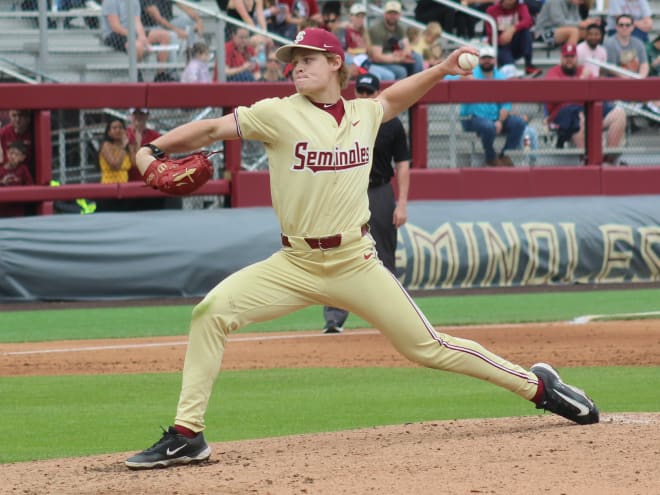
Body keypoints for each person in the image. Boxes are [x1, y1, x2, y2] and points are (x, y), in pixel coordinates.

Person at [124, 27, 599, 470]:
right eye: (293, 60)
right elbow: (209, 131)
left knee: (429, 348)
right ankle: (189, 435)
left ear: (335, 63)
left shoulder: (362, 114)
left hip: (356, 261)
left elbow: (395, 97)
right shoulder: (277, 112)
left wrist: (443, 67)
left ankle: (541, 388)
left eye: (307, 58)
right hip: (294, 263)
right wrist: (151, 150)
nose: (296, 66)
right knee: (211, 313)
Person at [322, 73, 410, 333]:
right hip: (348, 192)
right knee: (338, 253)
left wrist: (402, 202)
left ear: (378, 94)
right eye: (360, 91)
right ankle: (333, 319)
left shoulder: (391, 124)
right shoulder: (345, 120)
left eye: (369, 92)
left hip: (380, 189)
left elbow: (403, 165)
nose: (364, 96)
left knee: (384, 254)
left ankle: (395, 319)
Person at [544, 43, 627, 163]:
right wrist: (582, 80)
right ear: (561, 58)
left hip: (587, 111)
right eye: (566, 57)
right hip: (562, 115)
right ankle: (587, 161)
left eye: (572, 57)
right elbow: (562, 95)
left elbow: (596, 92)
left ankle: (608, 159)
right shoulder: (553, 73)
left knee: (619, 114)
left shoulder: (582, 70)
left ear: (576, 58)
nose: (569, 60)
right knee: (578, 117)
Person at [448, 46, 527, 167]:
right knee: (488, 126)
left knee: (519, 123)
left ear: (495, 60)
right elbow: (447, 78)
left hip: (494, 119)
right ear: (479, 60)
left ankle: (505, 155)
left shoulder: (500, 77)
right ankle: (491, 158)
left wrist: (500, 121)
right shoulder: (470, 73)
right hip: (471, 119)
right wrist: (461, 78)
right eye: (484, 58)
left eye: (489, 58)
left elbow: (506, 103)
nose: (487, 61)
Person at [101, 0, 176, 82]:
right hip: (113, 34)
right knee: (137, 46)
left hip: (132, 33)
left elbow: (137, 22)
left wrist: (142, 36)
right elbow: (115, 27)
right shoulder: (110, 1)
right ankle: (137, 75)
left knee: (164, 35)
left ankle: (160, 75)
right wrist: (135, 37)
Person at [332, 2, 396, 81]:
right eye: (357, 16)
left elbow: (369, 54)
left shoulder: (363, 32)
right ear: (351, 16)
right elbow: (340, 53)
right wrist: (355, 61)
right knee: (376, 77)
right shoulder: (344, 30)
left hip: (366, 64)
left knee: (389, 76)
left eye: (362, 17)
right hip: (352, 64)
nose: (360, 19)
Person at [485, 0, 542, 77]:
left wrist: (512, 29)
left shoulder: (521, 7)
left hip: (516, 44)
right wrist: (500, 40)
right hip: (500, 45)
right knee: (509, 65)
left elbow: (528, 21)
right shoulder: (491, 10)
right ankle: (511, 70)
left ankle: (528, 65)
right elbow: (490, 35)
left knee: (526, 32)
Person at [368, 1, 423, 80]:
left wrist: (401, 55)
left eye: (395, 14)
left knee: (417, 57)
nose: (392, 16)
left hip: (395, 57)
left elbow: (408, 49)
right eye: (390, 13)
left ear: (399, 15)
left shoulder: (399, 28)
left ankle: (417, 85)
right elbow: (377, 57)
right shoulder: (377, 30)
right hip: (379, 62)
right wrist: (397, 58)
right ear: (385, 14)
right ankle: (401, 91)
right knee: (401, 71)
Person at [533, 0, 600, 47]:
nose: (582, 2)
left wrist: (591, 22)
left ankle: (585, 57)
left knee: (586, 31)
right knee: (574, 31)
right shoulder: (555, 1)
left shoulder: (574, 3)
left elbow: (578, 20)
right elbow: (560, 23)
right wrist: (581, 23)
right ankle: (568, 57)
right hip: (543, 32)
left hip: (561, 30)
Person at [141, 0, 205, 47]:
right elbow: (159, 19)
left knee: (191, 21)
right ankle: (173, 64)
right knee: (173, 35)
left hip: (168, 24)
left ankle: (195, 53)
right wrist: (177, 31)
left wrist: (198, 20)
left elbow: (184, 6)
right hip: (151, 28)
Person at [0, 141, 34, 218]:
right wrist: (2, 182)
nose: (13, 156)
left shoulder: (23, 170)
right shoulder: (1, 170)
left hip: (17, 211)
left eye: (17, 154)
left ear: (22, 157)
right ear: (7, 153)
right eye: (11, 153)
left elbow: (30, 186)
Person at [127, 108, 162, 182]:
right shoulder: (124, 134)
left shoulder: (155, 136)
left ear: (147, 116)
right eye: (135, 114)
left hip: (150, 178)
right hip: (128, 179)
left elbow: (163, 157)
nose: (138, 116)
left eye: (141, 114)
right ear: (131, 116)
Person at [0, 109, 34, 177]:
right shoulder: (3, 133)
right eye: (14, 115)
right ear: (9, 116)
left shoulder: (34, 132)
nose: (17, 120)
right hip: (6, 175)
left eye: (21, 115)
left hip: (28, 174)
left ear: (28, 118)